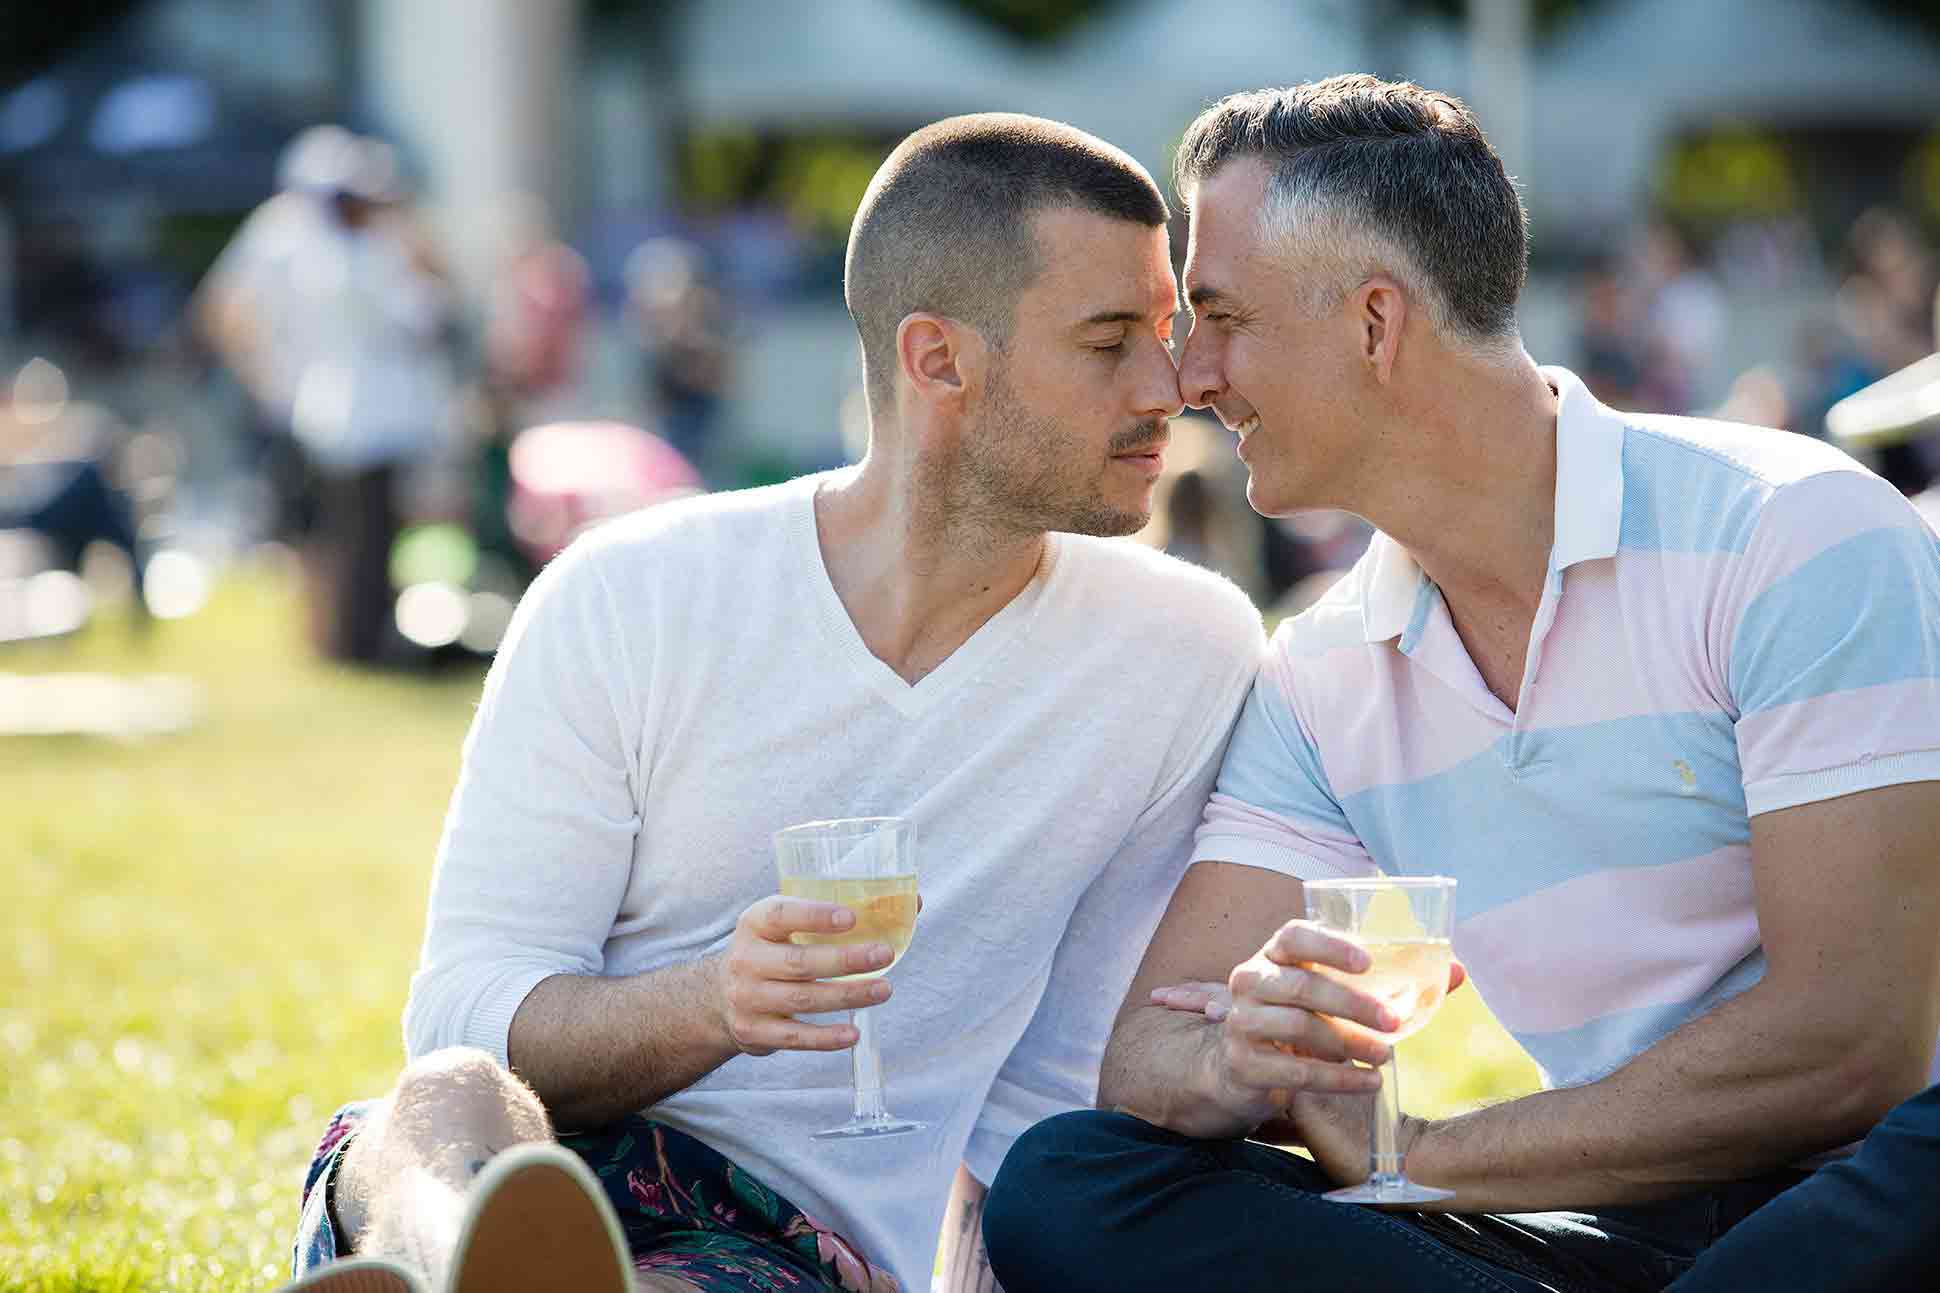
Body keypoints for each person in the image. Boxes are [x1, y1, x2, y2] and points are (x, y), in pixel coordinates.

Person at [276, 113, 1263, 1293]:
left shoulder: (1180, 651)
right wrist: (712, 1004)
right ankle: (470, 1265)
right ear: (938, 359)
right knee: (445, 1100)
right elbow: (465, 1011)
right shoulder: (630, 593)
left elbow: (1056, 1084)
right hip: (509, 1166)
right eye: (1110, 342)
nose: (1169, 387)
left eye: (1165, 334)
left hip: (784, 1245)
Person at [983, 75, 1940, 1292]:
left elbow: (1848, 1051)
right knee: (1079, 1182)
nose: (1189, 378)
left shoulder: (1789, 532)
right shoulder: (1321, 672)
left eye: (1218, 316)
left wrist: (1425, 1154)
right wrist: (1239, 1059)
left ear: (1374, 325)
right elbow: (1150, 1057)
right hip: (1610, 1231)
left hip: (1871, 1197)